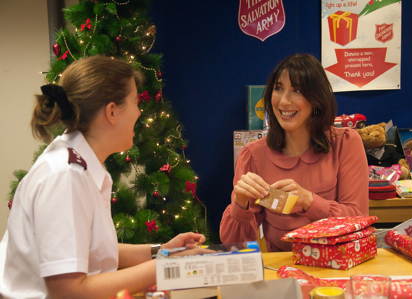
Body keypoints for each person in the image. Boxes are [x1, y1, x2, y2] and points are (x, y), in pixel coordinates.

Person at [0, 55, 209, 298]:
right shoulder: (66, 176)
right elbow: (67, 291)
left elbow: (88, 250)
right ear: (112, 112)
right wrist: (168, 267)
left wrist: (162, 251)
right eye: (135, 102)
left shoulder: (79, 162)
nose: (139, 112)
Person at [220, 54, 369, 252]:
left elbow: (358, 220)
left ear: (316, 99)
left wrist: (309, 201)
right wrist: (240, 204)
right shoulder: (253, 155)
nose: (283, 101)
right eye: (278, 88)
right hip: (283, 270)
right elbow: (235, 246)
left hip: (338, 265)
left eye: (296, 90)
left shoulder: (346, 143)